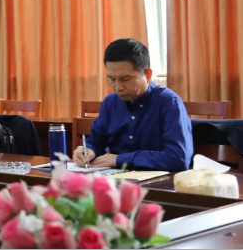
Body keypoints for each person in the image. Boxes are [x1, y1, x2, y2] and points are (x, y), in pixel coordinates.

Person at [73, 38, 193, 171]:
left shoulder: (169, 102)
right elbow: (96, 143)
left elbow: (178, 158)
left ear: (148, 74)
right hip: (117, 179)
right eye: (112, 79)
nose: (118, 87)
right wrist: (88, 151)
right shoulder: (110, 103)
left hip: (160, 181)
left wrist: (120, 159)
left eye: (125, 79)